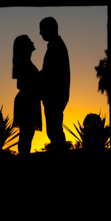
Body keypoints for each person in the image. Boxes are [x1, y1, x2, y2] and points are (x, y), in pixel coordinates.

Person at [39, 16, 70, 151]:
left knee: (53, 130)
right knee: (54, 129)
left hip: (55, 96)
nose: (40, 33)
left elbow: (50, 73)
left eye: (42, 30)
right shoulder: (55, 46)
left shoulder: (56, 47)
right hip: (56, 95)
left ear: (50, 29)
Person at [12, 34, 41, 155]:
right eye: (30, 42)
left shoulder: (26, 63)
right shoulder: (25, 64)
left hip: (27, 100)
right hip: (27, 101)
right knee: (26, 134)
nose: (33, 43)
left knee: (27, 134)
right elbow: (21, 84)